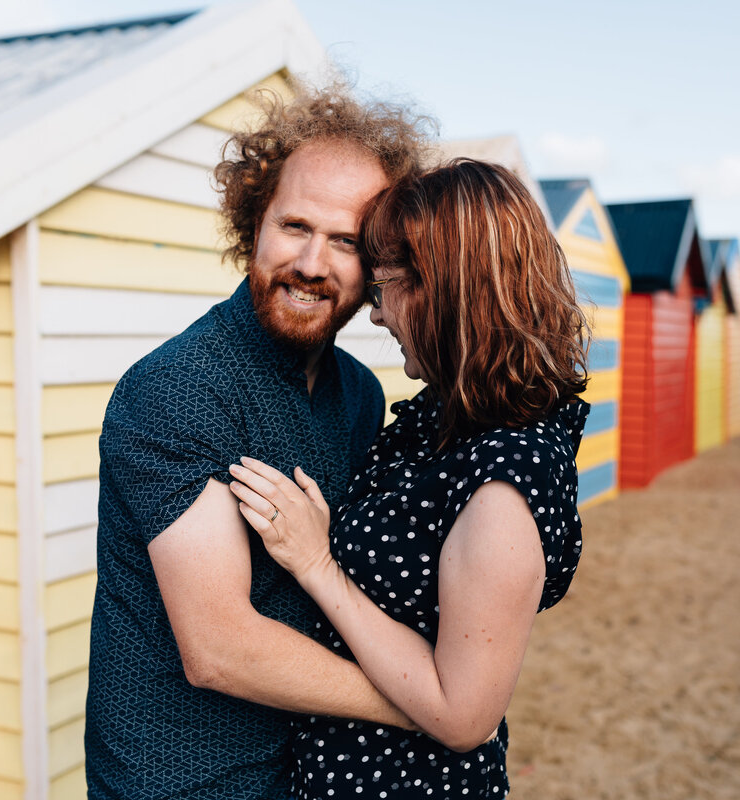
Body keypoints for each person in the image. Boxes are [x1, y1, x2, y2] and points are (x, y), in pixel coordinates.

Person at [84, 85, 432, 800]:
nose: (311, 262)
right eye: (294, 226)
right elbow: (219, 650)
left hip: (304, 771)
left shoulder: (360, 395)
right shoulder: (178, 389)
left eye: (345, 241)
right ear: (253, 223)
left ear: (378, 265)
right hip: (180, 783)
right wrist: (425, 705)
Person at [229, 158, 591, 798]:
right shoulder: (441, 420)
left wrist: (317, 565)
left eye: (387, 284)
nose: (375, 314)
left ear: (445, 291)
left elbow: (464, 717)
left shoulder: (505, 485)